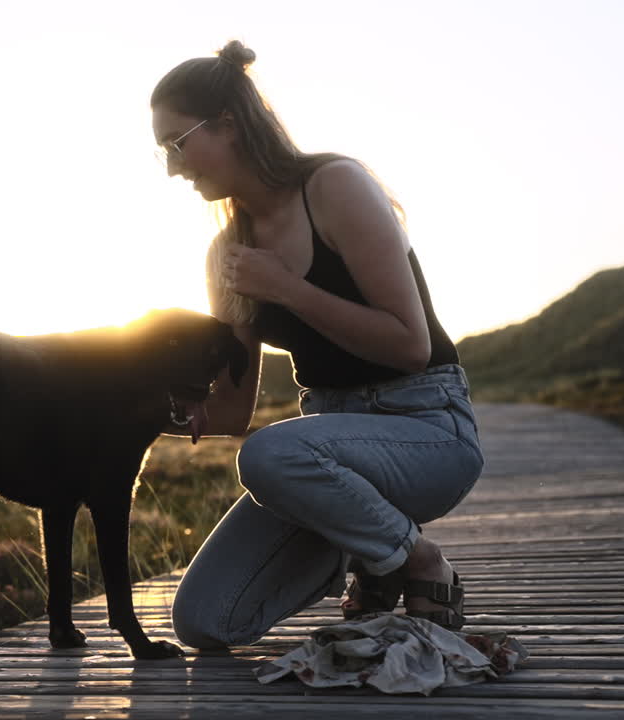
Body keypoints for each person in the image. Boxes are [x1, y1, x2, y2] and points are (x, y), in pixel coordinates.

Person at [152, 40, 484, 649]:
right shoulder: (226, 254)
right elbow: (230, 412)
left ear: (227, 126)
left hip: (429, 431)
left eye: (177, 143)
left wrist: (287, 288)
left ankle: (416, 561)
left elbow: (411, 345)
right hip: (325, 454)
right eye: (163, 152)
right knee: (202, 620)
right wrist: (129, 408)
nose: (172, 166)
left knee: (268, 457)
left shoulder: (335, 186)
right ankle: (366, 550)